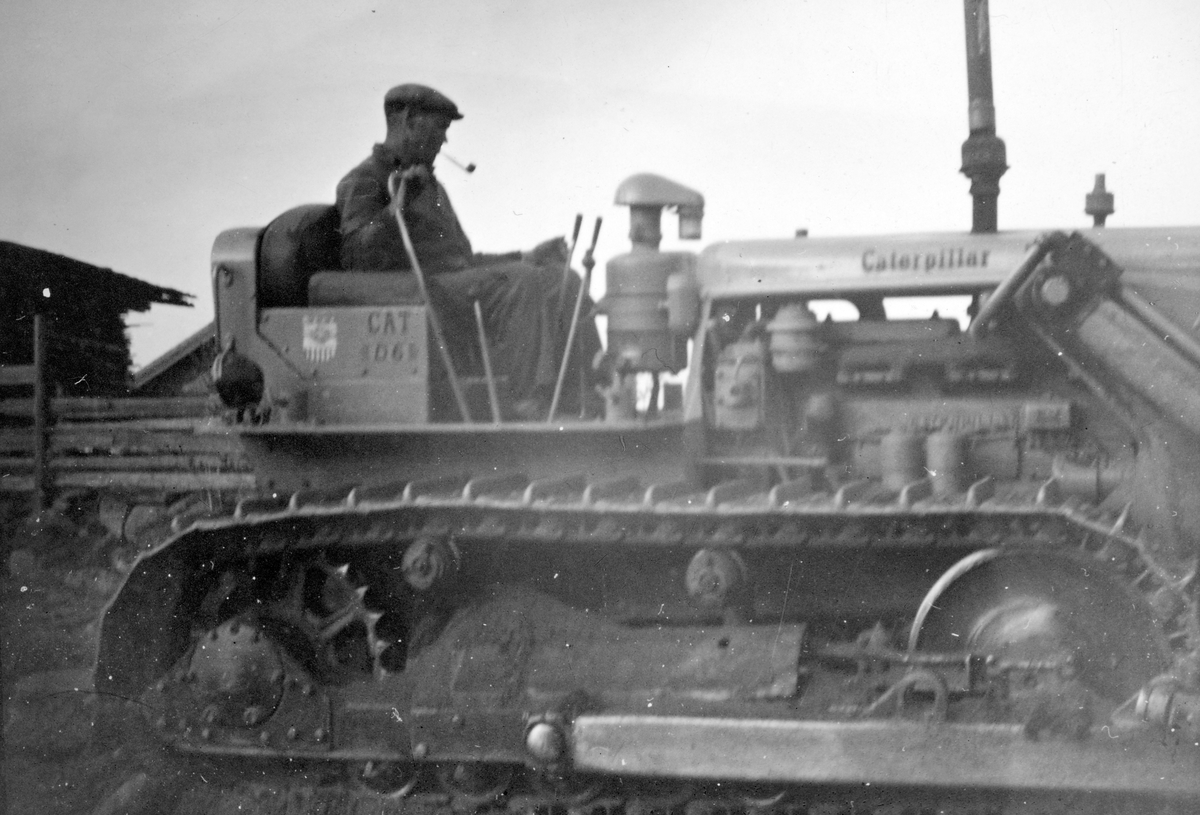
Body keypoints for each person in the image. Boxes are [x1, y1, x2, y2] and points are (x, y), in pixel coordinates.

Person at [335, 83, 598, 420]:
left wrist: (527, 255)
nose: (444, 141)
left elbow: (464, 260)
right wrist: (397, 207)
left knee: (562, 279)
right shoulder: (364, 181)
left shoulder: (429, 186)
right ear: (410, 120)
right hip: (418, 290)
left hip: (451, 286)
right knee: (519, 283)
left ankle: (588, 388)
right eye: (440, 127)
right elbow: (357, 256)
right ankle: (527, 402)